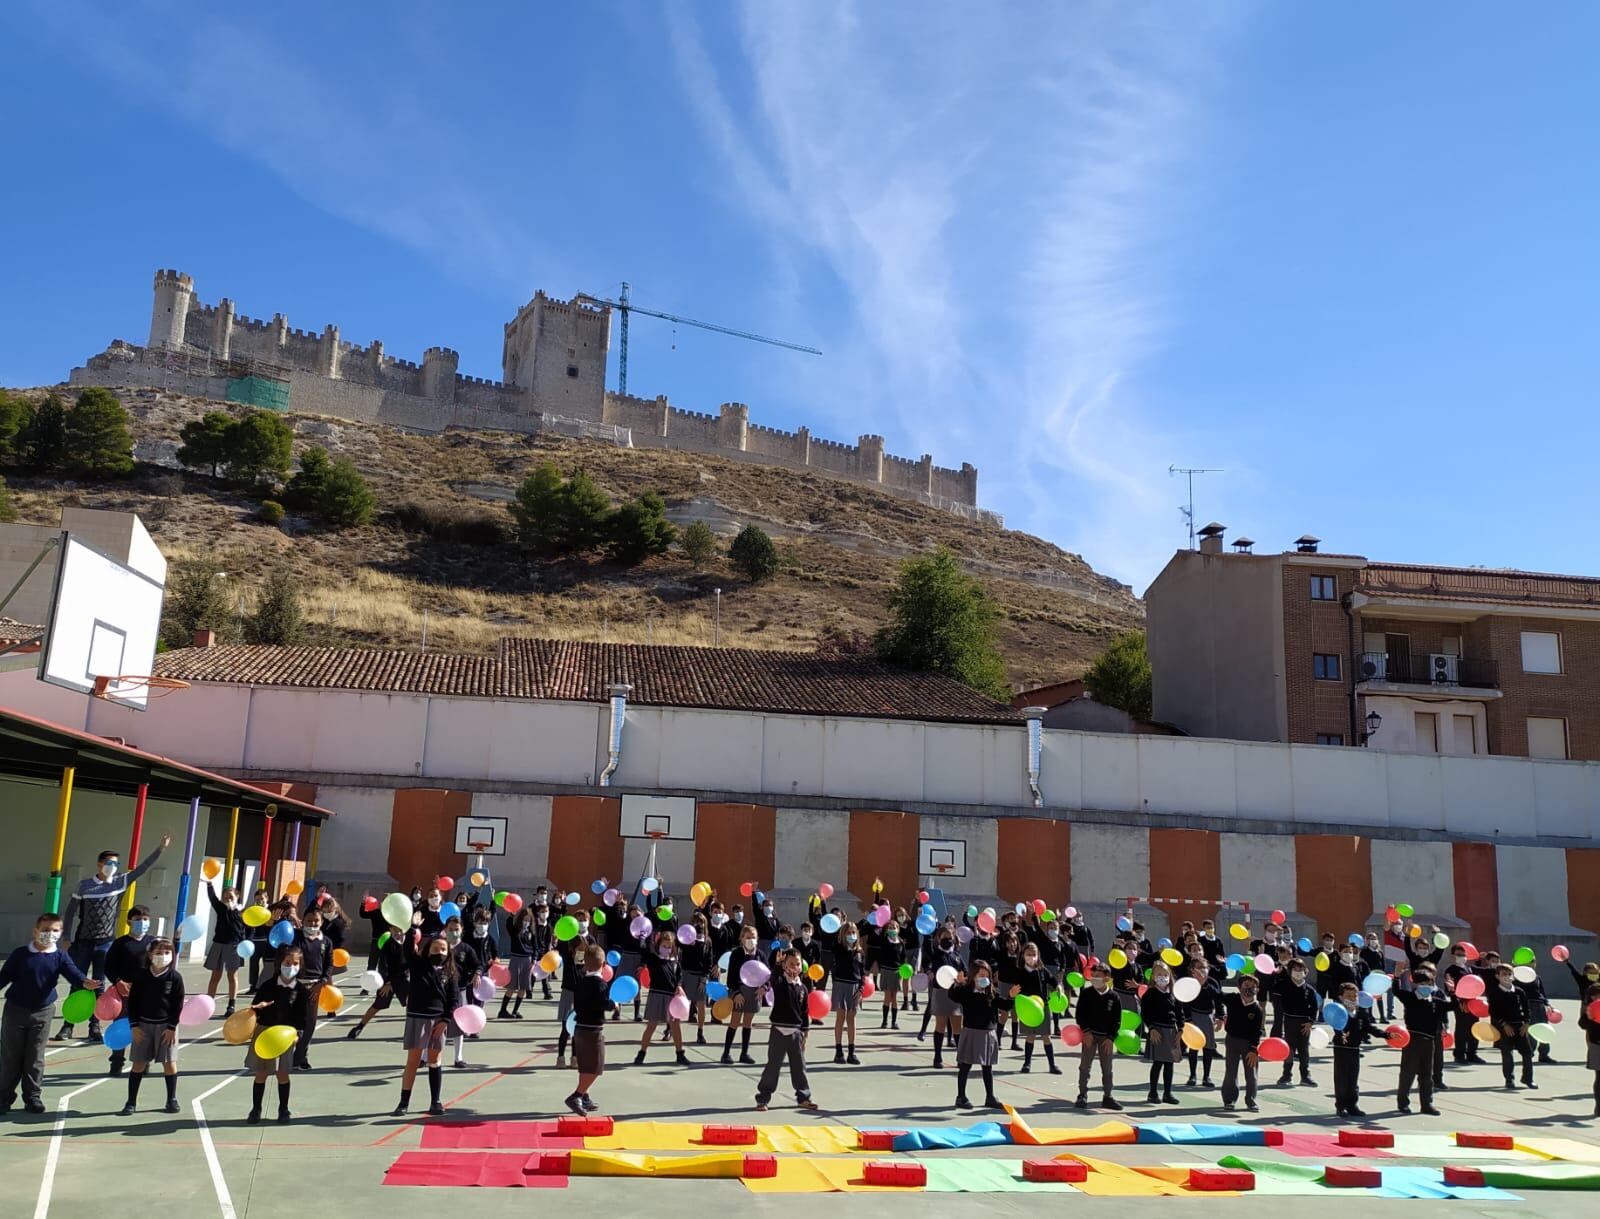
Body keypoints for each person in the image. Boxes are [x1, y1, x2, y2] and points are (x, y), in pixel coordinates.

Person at [57, 836, 170, 1042]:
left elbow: (142, 868)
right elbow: (71, 910)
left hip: (106, 941)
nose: (113, 866)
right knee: (79, 981)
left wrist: (160, 849)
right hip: (83, 941)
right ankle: (68, 1024)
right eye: (109, 863)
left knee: (99, 984)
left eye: (116, 864)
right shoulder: (84, 886)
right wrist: (65, 936)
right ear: (100, 864)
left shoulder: (121, 882)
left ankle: (95, 1024)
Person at [0, 913, 99, 1114]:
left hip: (43, 1012)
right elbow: (4, 977)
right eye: (45, 930)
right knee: (10, 1057)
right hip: (15, 1010)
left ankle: (32, 1097)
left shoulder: (60, 955)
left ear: (61, 933)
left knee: (35, 1057)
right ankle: (4, 1097)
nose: (49, 934)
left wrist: (84, 982)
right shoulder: (20, 954)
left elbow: (74, 974)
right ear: (35, 932)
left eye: (55, 930)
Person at [393, 932, 458, 1117]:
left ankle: (435, 1102)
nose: (440, 952)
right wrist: (413, 929)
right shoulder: (418, 965)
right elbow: (407, 950)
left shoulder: (450, 972)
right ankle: (403, 1102)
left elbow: (453, 1000)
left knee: (434, 1061)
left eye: (444, 949)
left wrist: (445, 1020)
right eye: (436, 949)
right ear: (428, 950)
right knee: (413, 1061)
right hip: (417, 1017)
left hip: (438, 1021)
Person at [118, 936, 183, 1115]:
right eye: (158, 953)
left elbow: (178, 1004)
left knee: (169, 1063)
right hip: (143, 1026)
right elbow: (133, 1002)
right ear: (150, 955)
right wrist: (134, 1026)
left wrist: (171, 1027)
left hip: (166, 1027)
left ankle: (171, 1099)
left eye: (167, 953)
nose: (163, 956)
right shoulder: (141, 976)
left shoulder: (175, 977)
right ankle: (131, 1102)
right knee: (138, 1063)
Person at [754, 948, 819, 1113]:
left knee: (799, 1067)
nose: (794, 967)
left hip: (795, 1033)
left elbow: (804, 1013)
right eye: (790, 964)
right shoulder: (780, 982)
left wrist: (805, 1032)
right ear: (784, 965)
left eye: (797, 964)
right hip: (778, 1031)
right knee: (772, 1068)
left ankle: (803, 1097)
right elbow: (772, 979)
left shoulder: (803, 988)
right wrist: (777, 965)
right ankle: (763, 1098)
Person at [246, 945, 306, 1123]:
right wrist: (258, 1008)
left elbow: (302, 1018)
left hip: (286, 1036)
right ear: (280, 963)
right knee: (262, 1072)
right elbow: (255, 1008)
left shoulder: (300, 990)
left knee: (282, 1073)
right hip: (265, 1034)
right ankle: (256, 1109)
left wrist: (297, 1035)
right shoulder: (268, 986)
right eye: (287, 963)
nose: (291, 967)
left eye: (295, 963)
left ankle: (284, 1109)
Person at [104, 905, 154, 1076]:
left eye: (145, 919)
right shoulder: (120, 943)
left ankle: (143, 1062)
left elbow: (162, 965)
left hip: (146, 993)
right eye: (138, 919)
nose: (142, 922)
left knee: (145, 1028)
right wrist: (118, 982)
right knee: (121, 1025)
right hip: (124, 993)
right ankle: (116, 1062)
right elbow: (109, 967)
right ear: (129, 921)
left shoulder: (153, 943)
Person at [1392, 961, 1448, 1115]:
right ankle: (1403, 1102)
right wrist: (1397, 976)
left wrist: (1454, 991)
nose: (1425, 986)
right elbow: (1396, 991)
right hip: (1412, 1040)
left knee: (1426, 1075)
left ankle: (1426, 1104)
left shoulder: (1436, 1001)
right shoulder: (1410, 998)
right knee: (1407, 1073)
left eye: (1428, 983)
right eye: (1421, 983)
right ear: (1415, 984)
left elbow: (1452, 1006)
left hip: (1429, 1041)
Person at [566, 945, 616, 1115]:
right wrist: (613, 1005)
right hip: (593, 1030)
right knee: (596, 1067)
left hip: (579, 1028)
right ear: (603, 966)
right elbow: (603, 1003)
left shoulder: (580, 982)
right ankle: (577, 1095)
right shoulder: (600, 984)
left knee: (585, 1066)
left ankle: (584, 1096)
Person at [949, 961, 1002, 1109]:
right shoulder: (966, 991)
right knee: (966, 1065)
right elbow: (953, 996)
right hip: (971, 1031)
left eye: (987, 975)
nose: (984, 978)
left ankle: (990, 1096)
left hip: (988, 1032)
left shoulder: (992, 993)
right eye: (981, 975)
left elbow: (1004, 1005)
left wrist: (1011, 997)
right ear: (973, 976)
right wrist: (957, 984)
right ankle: (961, 1096)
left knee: (987, 1067)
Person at [635, 928, 688, 1066]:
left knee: (675, 1026)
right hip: (656, 995)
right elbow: (643, 949)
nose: (667, 949)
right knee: (651, 1026)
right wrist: (643, 937)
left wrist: (679, 986)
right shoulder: (653, 960)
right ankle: (641, 1053)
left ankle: (680, 1054)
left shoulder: (675, 962)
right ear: (658, 945)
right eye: (664, 946)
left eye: (670, 946)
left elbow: (679, 977)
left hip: (671, 997)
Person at [347, 921, 408, 1040]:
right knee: (377, 1005)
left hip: (403, 980)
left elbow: (411, 963)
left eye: (401, 929)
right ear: (390, 929)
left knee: (411, 1005)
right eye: (395, 929)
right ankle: (359, 1027)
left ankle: (410, 1032)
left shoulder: (409, 943)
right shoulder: (388, 944)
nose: (398, 932)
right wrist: (387, 983)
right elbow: (383, 966)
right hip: (388, 981)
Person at [1074, 962, 1122, 1110]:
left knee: (1107, 1068)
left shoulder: (1114, 997)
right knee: (1085, 1066)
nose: (1095, 979)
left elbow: (1117, 1020)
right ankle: (1082, 1094)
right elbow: (1080, 1015)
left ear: (1107, 979)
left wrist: (1111, 1037)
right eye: (1093, 976)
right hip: (1090, 1035)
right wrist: (1086, 1031)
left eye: (1098, 977)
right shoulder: (1086, 993)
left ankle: (1107, 1096)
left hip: (1106, 1037)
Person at [292, 906, 332, 1071]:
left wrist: (322, 982)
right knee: (295, 1023)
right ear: (303, 921)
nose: (313, 923)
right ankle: (294, 1057)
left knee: (310, 1025)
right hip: (295, 985)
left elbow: (329, 965)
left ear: (322, 921)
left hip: (314, 987)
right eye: (309, 920)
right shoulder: (296, 937)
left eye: (316, 920)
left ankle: (301, 1057)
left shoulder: (326, 942)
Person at [1013, 941, 1061, 1074]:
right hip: (1029, 1009)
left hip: (1043, 1007)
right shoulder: (1021, 972)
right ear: (1023, 956)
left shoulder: (1042, 970)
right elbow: (1017, 990)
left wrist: (1058, 987)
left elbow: (1053, 981)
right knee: (1030, 1036)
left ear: (1038, 955)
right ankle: (1027, 1063)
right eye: (1028, 954)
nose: (1031, 957)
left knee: (1046, 1036)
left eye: (1034, 954)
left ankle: (1052, 1064)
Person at [1218, 975, 1265, 1113]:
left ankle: (1251, 1100)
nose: (1249, 989)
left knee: (1251, 1073)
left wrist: (1253, 1049)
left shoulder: (1257, 1009)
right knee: (1231, 1071)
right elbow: (1216, 995)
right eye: (1246, 986)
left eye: (1252, 987)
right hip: (1232, 1040)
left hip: (1249, 1044)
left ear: (1257, 989)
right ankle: (1229, 1099)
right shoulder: (1232, 999)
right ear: (1239, 987)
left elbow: (1258, 1031)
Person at [1487, 961, 1535, 1090]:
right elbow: (1493, 1011)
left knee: (1527, 1053)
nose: (1507, 976)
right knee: (1507, 1054)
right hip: (1505, 1028)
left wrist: (1526, 1023)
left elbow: (1526, 1009)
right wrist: (1504, 1025)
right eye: (1504, 974)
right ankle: (1509, 1079)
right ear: (1497, 976)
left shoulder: (1519, 991)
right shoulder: (1495, 992)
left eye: (1509, 974)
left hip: (1520, 1026)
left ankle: (1528, 1078)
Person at [1330, 981, 1375, 1117]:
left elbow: (1368, 1027)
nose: (1352, 999)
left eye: (1354, 996)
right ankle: (1341, 1106)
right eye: (1348, 996)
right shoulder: (1338, 1011)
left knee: (1353, 1079)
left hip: (1355, 1048)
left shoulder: (1361, 1012)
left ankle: (1352, 1105)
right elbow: (1336, 1026)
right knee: (1342, 1078)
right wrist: (1340, 1034)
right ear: (1341, 997)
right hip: (1341, 1048)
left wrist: (1385, 1034)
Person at [203, 881, 248, 1018]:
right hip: (219, 944)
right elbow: (213, 898)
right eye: (225, 897)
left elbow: (248, 929)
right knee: (215, 975)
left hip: (234, 946)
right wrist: (210, 885)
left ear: (237, 897)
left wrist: (245, 942)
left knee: (232, 976)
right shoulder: (220, 909)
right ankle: (208, 1004)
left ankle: (231, 1005)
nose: (228, 900)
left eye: (231, 897)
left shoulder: (242, 913)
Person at [723, 922, 765, 1065]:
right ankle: (726, 1053)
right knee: (735, 1021)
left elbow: (767, 975)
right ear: (741, 939)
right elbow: (731, 978)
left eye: (753, 937)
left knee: (748, 1022)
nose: (750, 940)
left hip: (754, 993)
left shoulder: (760, 954)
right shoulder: (736, 954)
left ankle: (744, 1053)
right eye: (747, 937)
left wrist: (764, 988)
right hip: (740, 993)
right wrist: (736, 993)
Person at [1141, 960, 1182, 1105]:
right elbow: (1145, 1014)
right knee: (1158, 1063)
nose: (1163, 977)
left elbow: (1179, 1012)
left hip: (1171, 1030)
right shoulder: (1150, 994)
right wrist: (1151, 1028)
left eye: (1165, 974)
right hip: (1157, 1030)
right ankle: (1152, 1092)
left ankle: (1167, 1093)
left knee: (1169, 1064)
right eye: (1159, 974)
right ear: (1153, 976)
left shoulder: (1173, 994)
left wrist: (1180, 1029)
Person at [925, 924, 965, 1070]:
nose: (948, 940)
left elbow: (964, 972)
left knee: (957, 1026)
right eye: (944, 937)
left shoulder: (957, 955)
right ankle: (937, 1056)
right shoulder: (935, 953)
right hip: (940, 992)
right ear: (939, 938)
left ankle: (961, 1057)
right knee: (940, 1024)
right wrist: (928, 929)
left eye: (950, 937)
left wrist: (962, 979)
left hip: (955, 993)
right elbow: (926, 944)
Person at [1180, 957, 1222, 1088]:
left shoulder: (1212, 982)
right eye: (1199, 968)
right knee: (1194, 1047)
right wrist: (1188, 1019)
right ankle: (1192, 1075)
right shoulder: (1189, 983)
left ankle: (1206, 1077)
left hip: (1208, 1016)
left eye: (1204, 967)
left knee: (1208, 1048)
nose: (1202, 970)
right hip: (1193, 1016)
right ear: (1192, 970)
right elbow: (1184, 1002)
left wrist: (1220, 1017)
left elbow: (1218, 998)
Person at [1276, 959, 1318, 1087]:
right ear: (1290, 971)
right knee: (1289, 1049)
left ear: (1306, 971)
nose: (1298, 972)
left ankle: (1305, 1076)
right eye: (1295, 969)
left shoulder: (1309, 989)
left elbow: (1314, 1007)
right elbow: (1274, 992)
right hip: (1289, 1021)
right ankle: (1286, 1074)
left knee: (1304, 1050)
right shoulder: (1284, 985)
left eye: (1301, 970)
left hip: (1304, 1023)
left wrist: (1310, 1022)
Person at [831, 921, 864, 1064]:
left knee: (851, 1018)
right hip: (840, 985)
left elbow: (862, 972)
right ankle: (838, 1051)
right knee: (841, 1016)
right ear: (843, 934)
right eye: (848, 932)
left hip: (854, 987)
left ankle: (852, 1051)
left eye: (853, 932)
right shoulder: (838, 948)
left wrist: (861, 988)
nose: (851, 935)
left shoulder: (860, 952)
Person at [679, 913, 713, 1046]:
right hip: (686, 973)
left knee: (701, 1004)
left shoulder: (707, 941)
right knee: (679, 1002)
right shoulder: (687, 938)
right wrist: (688, 941)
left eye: (701, 922)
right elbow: (678, 945)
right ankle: (671, 1028)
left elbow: (709, 960)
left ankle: (700, 1032)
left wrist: (705, 977)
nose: (699, 925)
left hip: (700, 975)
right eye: (696, 922)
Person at [500, 905, 537, 1020]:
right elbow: (509, 925)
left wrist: (534, 960)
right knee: (512, 986)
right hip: (516, 959)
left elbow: (536, 947)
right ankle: (503, 1010)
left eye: (528, 920)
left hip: (527, 960)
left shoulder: (531, 933)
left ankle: (515, 1010)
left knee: (523, 987)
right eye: (524, 920)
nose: (526, 922)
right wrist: (512, 914)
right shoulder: (515, 930)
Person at [876, 920, 907, 1030]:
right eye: (890, 927)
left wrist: (904, 969)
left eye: (894, 927)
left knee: (895, 997)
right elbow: (880, 955)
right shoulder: (884, 941)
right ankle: (884, 1021)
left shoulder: (901, 942)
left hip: (897, 971)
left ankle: (894, 1021)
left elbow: (903, 957)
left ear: (898, 929)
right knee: (887, 996)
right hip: (886, 970)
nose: (892, 929)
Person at [1579, 981, 1600, 1118]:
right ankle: (1598, 1106)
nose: (1597, 997)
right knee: (1599, 1077)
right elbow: (1581, 1024)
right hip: (1596, 1045)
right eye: (1594, 995)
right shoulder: (1589, 1009)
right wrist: (1589, 1017)